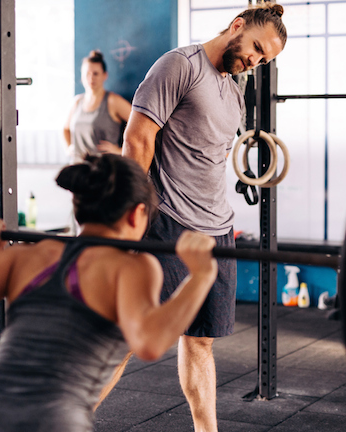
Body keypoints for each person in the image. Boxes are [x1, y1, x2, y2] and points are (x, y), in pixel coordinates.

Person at [0, 154, 219, 432]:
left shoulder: (27, 255)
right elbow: (150, 344)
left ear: (78, 209)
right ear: (137, 213)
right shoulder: (132, 267)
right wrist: (200, 276)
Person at [121, 3, 286, 431]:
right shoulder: (180, 66)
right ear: (237, 26)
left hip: (217, 231)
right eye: (255, 48)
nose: (255, 60)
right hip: (169, 224)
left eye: (263, 59)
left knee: (200, 342)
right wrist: (128, 220)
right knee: (123, 338)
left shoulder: (235, 86)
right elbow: (138, 140)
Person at [64, 50, 132, 162]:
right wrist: (69, 148)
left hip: (104, 171)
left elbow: (141, 125)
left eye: (95, 73)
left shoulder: (113, 101)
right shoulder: (77, 102)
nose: (91, 78)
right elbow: (65, 129)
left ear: (105, 75)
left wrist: (120, 151)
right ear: (82, 76)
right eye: (87, 74)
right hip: (78, 170)